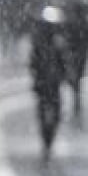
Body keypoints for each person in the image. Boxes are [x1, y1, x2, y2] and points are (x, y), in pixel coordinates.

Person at [29, 12, 67, 160]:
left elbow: (63, 63)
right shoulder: (40, 44)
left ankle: (48, 139)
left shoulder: (56, 44)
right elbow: (33, 64)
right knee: (47, 113)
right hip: (45, 85)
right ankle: (47, 140)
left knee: (53, 113)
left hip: (51, 85)